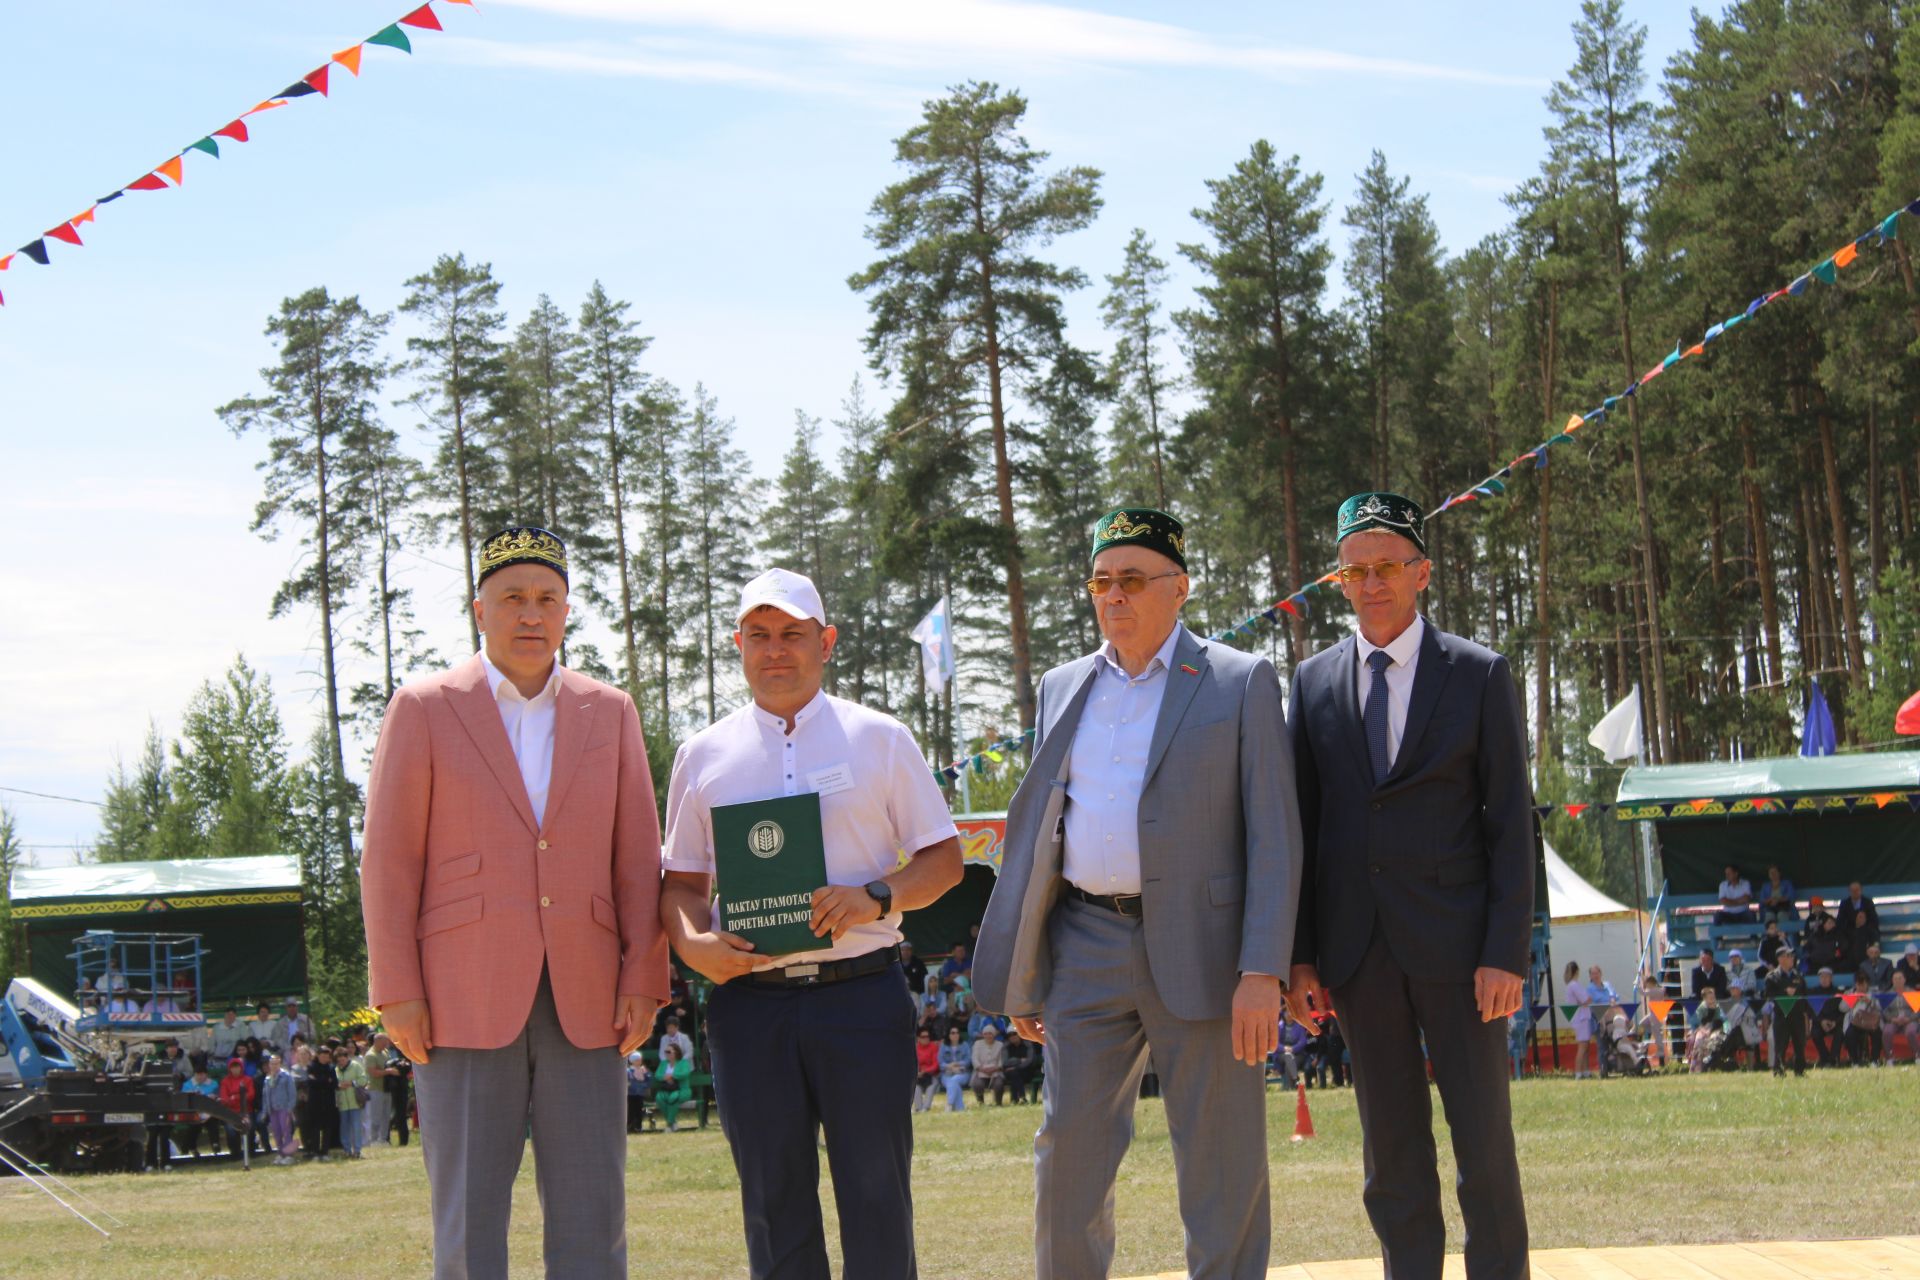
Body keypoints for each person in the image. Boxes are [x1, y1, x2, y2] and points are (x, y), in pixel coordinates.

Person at [972, 506, 1302, 1280]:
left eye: (1131, 579)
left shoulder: (1238, 679)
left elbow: (1275, 838)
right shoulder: (1062, 687)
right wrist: (1027, 965)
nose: (1112, 596)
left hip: (1210, 954)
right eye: (1100, 581)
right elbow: (1045, 832)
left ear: (1179, 588)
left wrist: (1264, 970)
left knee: (1222, 1170)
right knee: (1068, 1160)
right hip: (1083, 945)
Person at [361, 527, 669, 1279]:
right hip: (458, 997)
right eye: (512, 599)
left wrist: (643, 979)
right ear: (479, 609)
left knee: (595, 1218)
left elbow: (638, 858)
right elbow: (389, 860)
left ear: (566, 613)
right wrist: (396, 991)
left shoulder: (612, 711)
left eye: (547, 599)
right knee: (467, 1225)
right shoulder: (425, 707)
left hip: (589, 998)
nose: (530, 614)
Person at [659, 567, 963, 1280]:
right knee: (772, 1203)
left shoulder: (880, 738)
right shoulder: (702, 755)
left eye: (792, 634)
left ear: (825, 642)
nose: (775, 650)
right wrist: (694, 944)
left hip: (860, 996)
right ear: (737, 644)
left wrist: (877, 897)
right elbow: (680, 884)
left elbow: (944, 860)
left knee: (876, 1197)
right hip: (750, 1003)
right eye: (758, 635)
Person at [1286, 492, 1533, 1280]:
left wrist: (1506, 952)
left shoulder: (1479, 674)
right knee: (1390, 1156)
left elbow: (1510, 826)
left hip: (1463, 955)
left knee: (1483, 1148)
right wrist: (1301, 957)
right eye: (1354, 570)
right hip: (1359, 956)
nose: (1371, 582)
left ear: (1422, 572)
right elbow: (1304, 827)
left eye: (1387, 565)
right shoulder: (1313, 682)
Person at [1763, 948, 1809, 1077]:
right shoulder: (1772, 977)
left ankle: (1800, 1071)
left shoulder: (1798, 976)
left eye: (1792, 956)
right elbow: (1768, 995)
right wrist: (1784, 993)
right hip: (1781, 1015)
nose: (1791, 958)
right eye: (1788, 956)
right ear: (1780, 959)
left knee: (1799, 1044)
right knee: (1780, 1045)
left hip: (1797, 1015)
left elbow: (1804, 995)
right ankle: (1779, 1071)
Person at [261, 1054, 298, 1165]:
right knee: (276, 1133)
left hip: (284, 1108)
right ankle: (280, 1153)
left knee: (286, 1131)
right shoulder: (267, 1079)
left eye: (276, 1063)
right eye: (272, 1063)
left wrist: (290, 1108)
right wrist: (265, 1110)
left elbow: (292, 1094)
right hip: (272, 1109)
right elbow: (265, 1095)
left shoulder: (286, 1076)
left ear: (280, 1064)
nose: (274, 1066)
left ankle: (289, 1155)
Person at [336, 1040, 368, 1158]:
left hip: (355, 1102)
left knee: (356, 1127)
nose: (341, 1062)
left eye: (343, 1059)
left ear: (347, 1057)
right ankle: (347, 1149)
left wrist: (352, 1083)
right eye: (339, 1061)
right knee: (344, 1127)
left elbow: (364, 1080)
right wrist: (339, 1085)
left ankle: (358, 1150)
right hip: (342, 1103)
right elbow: (334, 1083)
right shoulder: (336, 1070)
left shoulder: (356, 1066)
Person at [1563, 962, 1595, 1079]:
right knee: (1582, 1046)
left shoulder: (1571, 985)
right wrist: (1590, 998)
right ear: (1577, 971)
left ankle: (1586, 1071)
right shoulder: (1574, 985)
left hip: (1581, 1017)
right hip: (1581, 1017)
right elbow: (1585, 999)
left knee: (1586, 1046)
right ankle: (1578, 1072)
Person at [652, 1042, 693, 1131]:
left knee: (673, 1098)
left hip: (681, 1090)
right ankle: (673, 1122)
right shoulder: (663, 1063)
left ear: (676, 1052)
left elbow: (685, 1073)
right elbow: (657, 1075)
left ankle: (669, 1125)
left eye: (669, 1051)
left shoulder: (683, 1063)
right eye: (665, 1052)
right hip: (666, 1089)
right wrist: (664, 1077)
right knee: (659, 1098)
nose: (666, 1054)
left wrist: (672, 1076)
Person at [361, 1033, 394, 1146]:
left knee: (386, 1115)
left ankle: (383, 1139)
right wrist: (388, 1072)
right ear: (377, 1041)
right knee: (375, 1116)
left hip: (387, 1088)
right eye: (384, 1041)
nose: (386, 1044)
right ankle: (373, 1139)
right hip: (375, 1089)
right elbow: (373, 1072)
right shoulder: (371, 1055)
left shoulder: (385, 1052)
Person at [1809, 969, 1846, 1067]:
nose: (1824, 979)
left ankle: (1834, 1059)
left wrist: (1835, 1022)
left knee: (1840, 1033)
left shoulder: (1838, 992)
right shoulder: (1813, 992)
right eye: (1822, 977)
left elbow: (1843, 1011)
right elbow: (1811, 1011)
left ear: (1831, 978)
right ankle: (1825, 1059)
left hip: (1835, 1022)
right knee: (1815, 1034)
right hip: (1819, 1022)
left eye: (1827, 977)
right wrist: (1821, 1021)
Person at [1844, 979, 1884, 1067]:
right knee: (1849, 1034)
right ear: (1855, 985)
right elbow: (1842, 1008)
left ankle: (1875, 1060)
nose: (1861, 987)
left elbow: (1881, 1008)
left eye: (1863, 984)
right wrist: (1853, 1002)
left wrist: (1870, 1002)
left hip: (1871, 1022)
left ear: (1867, 985)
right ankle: (1854, 1061)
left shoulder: (1874, 993)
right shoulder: (1849, 993)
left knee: (1877, 1033)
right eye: (1859, 984)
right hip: (1856, 1023)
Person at [1685, 989, 1726, 1071]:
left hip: (1714, 1029)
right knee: (1699, 1040)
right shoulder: (1701, 1008)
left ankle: (1709, 1063)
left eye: (1713, 997)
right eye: (1710, 998)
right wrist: (1705, 1030)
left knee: (1716, 1038)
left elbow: (1719, 1020)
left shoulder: (1717, 1007)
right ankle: (1696, 1066)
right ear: (1705, 999)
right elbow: (1700, 1023)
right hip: (1701, 1029)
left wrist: (1712, 1027)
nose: (1713, 999)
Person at [1883, 973, 1918, 1063]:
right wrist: (1892, 1019)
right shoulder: (1887, 994)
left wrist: (1909, 1018)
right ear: (1892, 981)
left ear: (1904, 980)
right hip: (1893, 1020)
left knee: (1910, 1032)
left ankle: (1918, 1056)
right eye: (1895, 979)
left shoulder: (1912, 992)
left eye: (1900, 978)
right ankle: (1889, 1058)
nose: (1897, 981)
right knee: (1887, 1032)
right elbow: (1884, 1011)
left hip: (1909, 1020)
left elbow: (1917, 1011)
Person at [969, 1023, 1008, 1105]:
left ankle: (998, 1103)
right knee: (977, 1084)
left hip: (996, 1071)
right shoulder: (977, 1044)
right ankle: (981, 1103)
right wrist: (981, 1068)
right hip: (980, 1071)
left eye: (990, 1033)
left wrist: (995, 1068)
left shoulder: (1000, 1045)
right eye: (985, 1034)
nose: (988, 1036)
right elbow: (974, 1058)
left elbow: (1002, 1060)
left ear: (994, 1034)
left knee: (999, 1084)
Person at [938, 1025, 972, 1112]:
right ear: (949, 1035)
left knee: (953, 1081)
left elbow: (968, 1060)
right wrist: (950, 1067)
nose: (955, 1035)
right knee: (953, 1083)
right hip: (947, 1073)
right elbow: (940, 1062)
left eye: (957, 1033)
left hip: (962, 1073)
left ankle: (949, 1104)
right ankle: (960, 1109)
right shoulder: (943, 1046)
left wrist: (957, 1064)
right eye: (953, 1033)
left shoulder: (965, 1045)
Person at [1002, 1027, 1040, 1104]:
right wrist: (1019, 1060)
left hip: (1027, 1071)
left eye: (1014, 1034)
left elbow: (1030, 1061)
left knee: (1014, 1074)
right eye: (1010, 1035)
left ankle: (1014, 1099)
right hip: (1010, 1072)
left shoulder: (1027, 1044)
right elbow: (1005, 1062)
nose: (1012, 1036)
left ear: (1019, 1034)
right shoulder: (1006, 1047)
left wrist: (1015, 1066)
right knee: (1014, 1074)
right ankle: (1022, 1097)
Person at [911, 1028, 940, 1114]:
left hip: (932, 1074)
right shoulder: (914, 1048)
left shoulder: (934, 1047)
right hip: (918, 1075)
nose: (926, 1038)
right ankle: (918, 1108)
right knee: (915, 1087)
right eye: (923, 1036)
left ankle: (926, 1108)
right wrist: (917, 1073)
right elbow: (911, 1063)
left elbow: (936, 1064)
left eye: (927, 1036)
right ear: (918, 1038)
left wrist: (926, 1071)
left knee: (931, 1087)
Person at [625, 1052, 652, 1132]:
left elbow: (648, 1080)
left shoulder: (643, 1070)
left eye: (640, 1059)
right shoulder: (628, 1071)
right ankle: (629, 1125)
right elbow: (626, 1080)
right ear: (632, 1061)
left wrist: (645, 1084)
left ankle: (638, 1126)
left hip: (640, 1094)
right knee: (630, 1110)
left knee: (639, 1110)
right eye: (637, 1060)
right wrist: (628, 1083)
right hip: (630, 1094)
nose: (639, 1061)